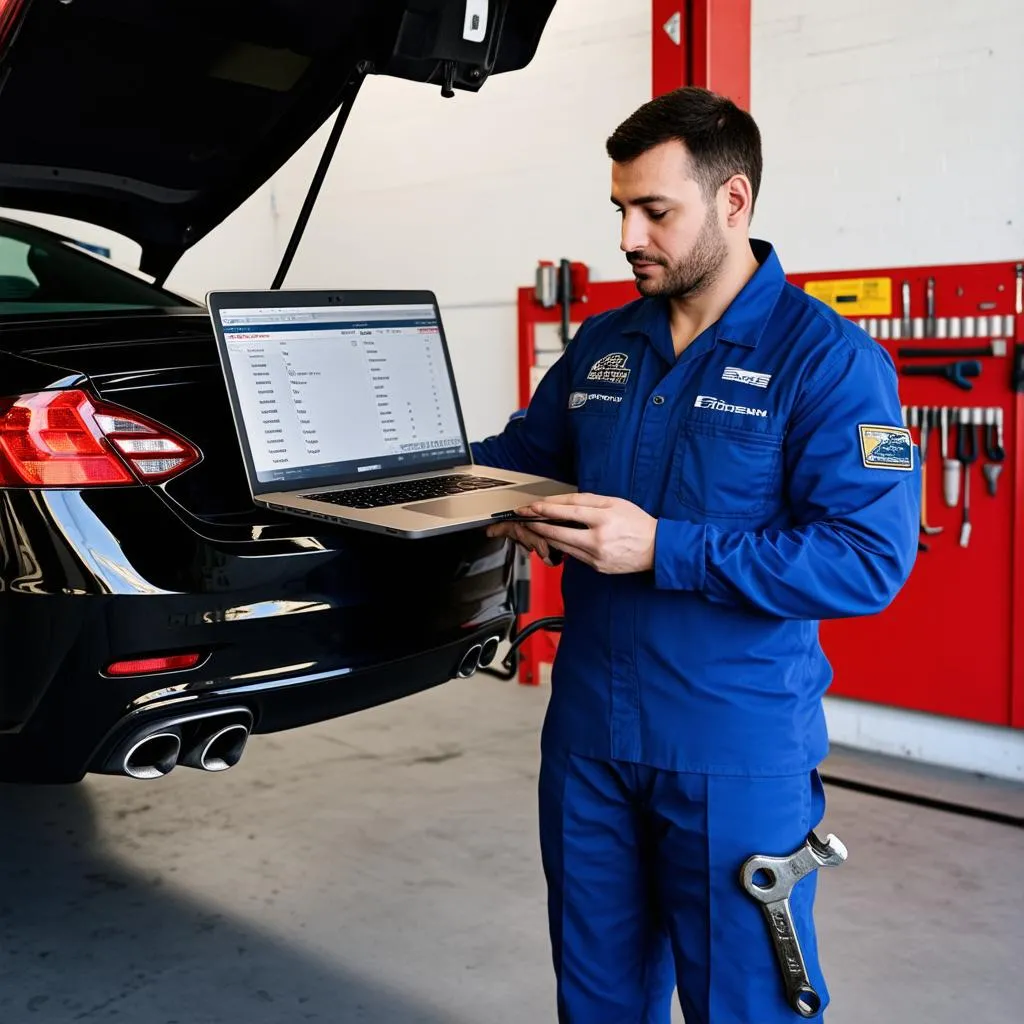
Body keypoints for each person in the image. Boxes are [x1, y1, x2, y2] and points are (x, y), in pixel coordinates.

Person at [471, 86, 919, 1023]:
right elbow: (519, 462)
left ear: (735, 202)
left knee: (744, 1004)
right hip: (591, 734)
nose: (629, 236)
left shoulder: (828, 361)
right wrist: (435, 480)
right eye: (619, 211)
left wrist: (663, 548)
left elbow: (866, 558)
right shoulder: (604, 343)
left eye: (655, 211)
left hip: (733, 746)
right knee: (596, 1000)